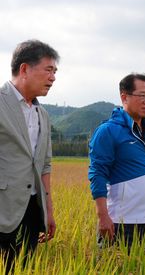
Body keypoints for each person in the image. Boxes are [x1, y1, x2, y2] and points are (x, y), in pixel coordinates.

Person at [88, 73, 145, 248]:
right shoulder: (108, 131)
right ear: (124, 97)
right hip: (121, 222)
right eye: (142, 95)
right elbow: (97, 174)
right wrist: (102, 216)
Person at [0, 40, 58, 273]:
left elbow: (44, 164)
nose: (53, 77)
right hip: (3, 207)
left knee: (23, 269)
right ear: (24, 69)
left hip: (32, 211)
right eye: (48, 70)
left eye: (55, 72)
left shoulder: (42, 114)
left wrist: (48, 210)